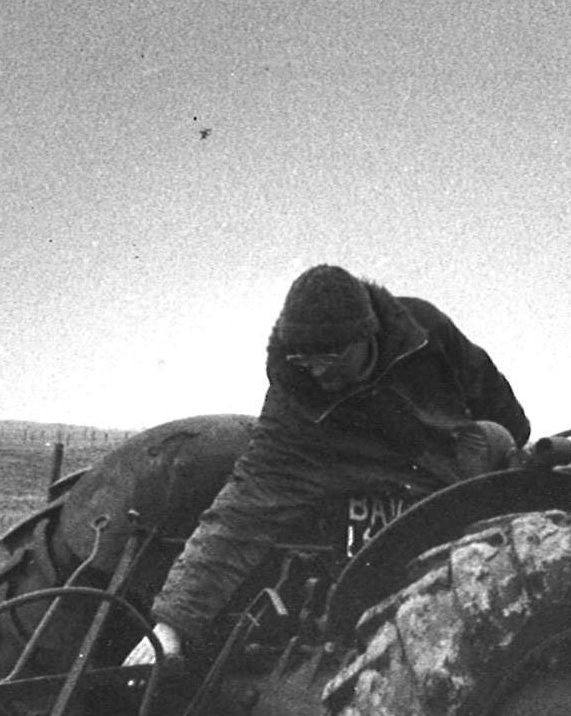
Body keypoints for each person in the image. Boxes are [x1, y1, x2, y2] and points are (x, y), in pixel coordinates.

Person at [126, 263, 530, 664]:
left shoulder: (425, 333)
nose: (317, 370)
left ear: (366, 336)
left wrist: (505, 451)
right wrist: (172, 624)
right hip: (355, 483)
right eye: (304, 359)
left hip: (449, 470)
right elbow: (241, 511)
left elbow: (496, 401)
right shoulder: (294, 403)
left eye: (331, 355)